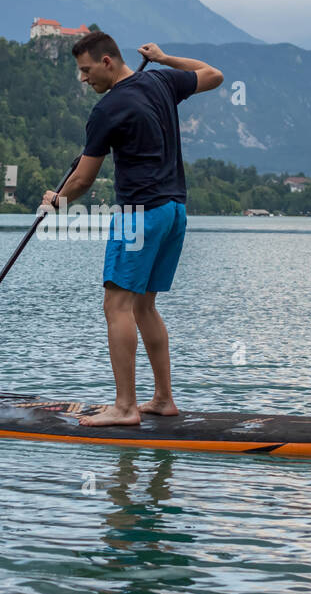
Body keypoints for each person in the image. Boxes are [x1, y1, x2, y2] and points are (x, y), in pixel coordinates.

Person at [41, 32, 223, 426]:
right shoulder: (161, 80)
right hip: (175, 212)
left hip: (140, 214)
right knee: (144, 306)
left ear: (107, 61)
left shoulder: (107, 111)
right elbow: (213, 75)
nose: (84, 79)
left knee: (117, 306)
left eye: (87, 71)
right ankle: (162, 399)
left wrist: (56, 201)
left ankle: (124, 407)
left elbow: (83, 180)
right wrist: (163, 58)